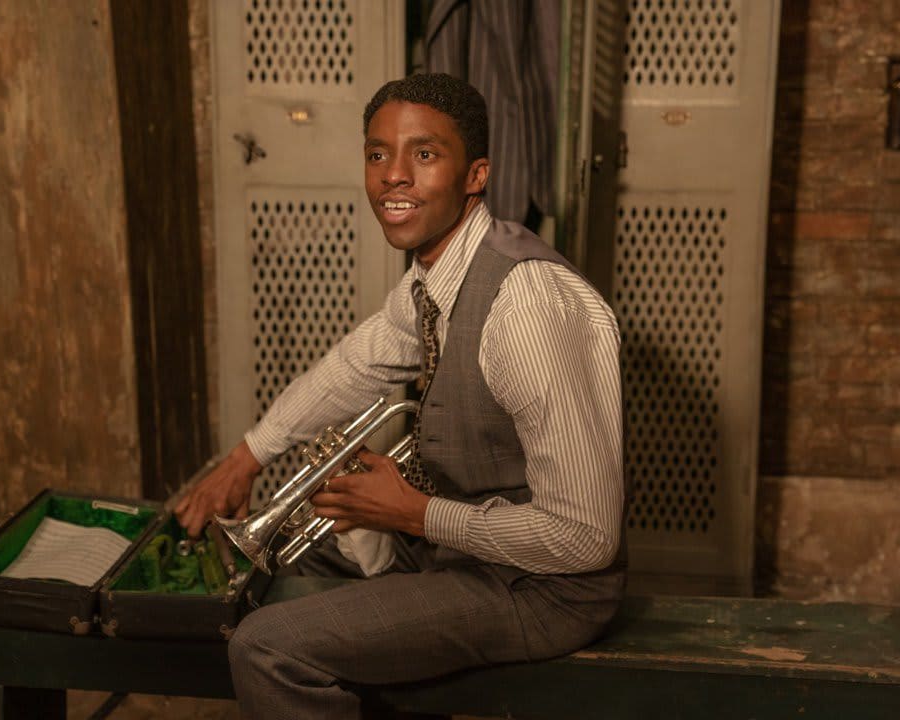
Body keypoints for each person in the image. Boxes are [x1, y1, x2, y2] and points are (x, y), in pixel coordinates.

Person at [175, 73, 625, 720]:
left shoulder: (522, 310)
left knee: (266, 649)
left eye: (425, 153)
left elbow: (586, 540)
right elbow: (352, 368)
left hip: (541, 591)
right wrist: (248, 456)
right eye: (378, 153)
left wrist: (413, 514)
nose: (393, 176)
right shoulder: (437, 277)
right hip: (464, 547)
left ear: (475, 176)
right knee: (273, 573)